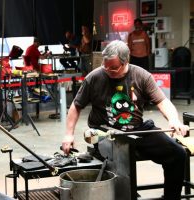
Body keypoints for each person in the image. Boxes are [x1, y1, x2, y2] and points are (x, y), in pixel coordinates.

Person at [61, 40, 189, 200]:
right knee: (122, 164)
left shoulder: (141, 76)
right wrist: (68, 134)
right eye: (105, 66)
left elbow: (162, 101)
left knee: (177, 154)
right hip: (106, 135)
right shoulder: (94, 77)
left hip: (137, 131)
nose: (108, 70)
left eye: (113, 67)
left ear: (126, 61)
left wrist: (173, 120)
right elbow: (76, 106)